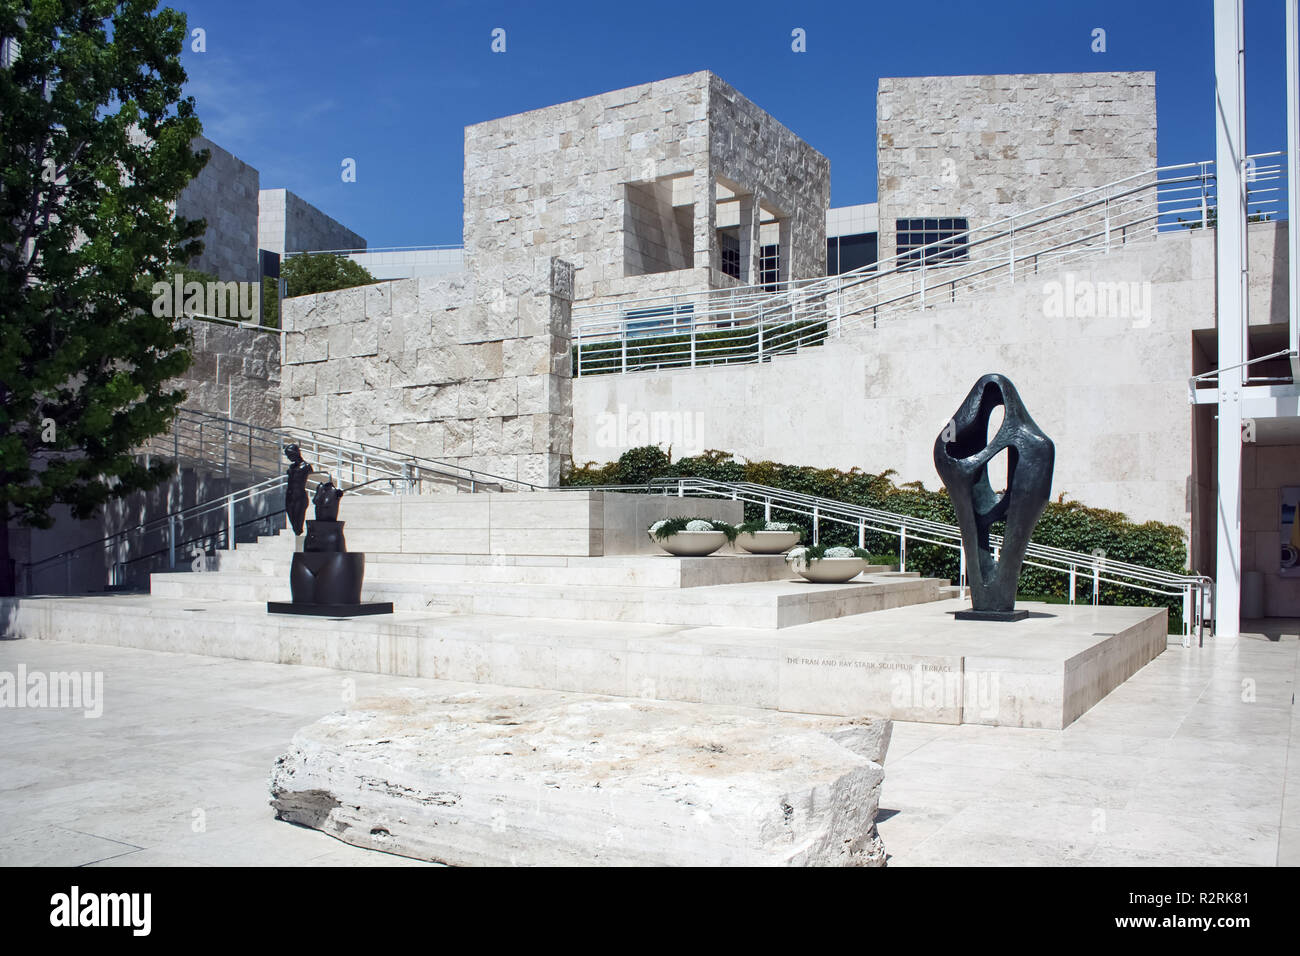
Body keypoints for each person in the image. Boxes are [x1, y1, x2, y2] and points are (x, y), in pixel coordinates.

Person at [283, 444, 313, 535]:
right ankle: (297, 532)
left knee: (298, 519)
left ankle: (298, 533)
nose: (289, 458)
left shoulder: (306, 466)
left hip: (299, 495)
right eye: (288, 456)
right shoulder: (291, 467)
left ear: (296, 453)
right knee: (292, 517)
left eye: (290, 455)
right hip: (290, 495)